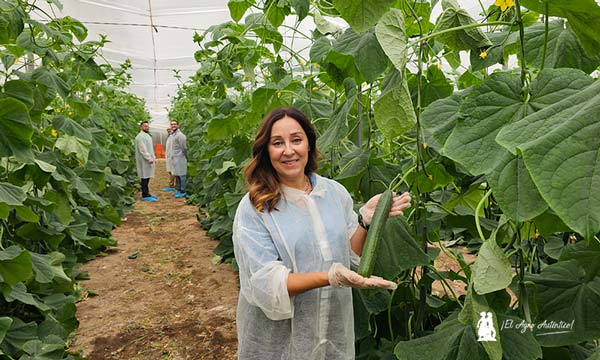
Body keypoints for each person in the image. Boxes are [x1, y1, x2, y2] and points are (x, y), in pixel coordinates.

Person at [232, 107, 412, 359]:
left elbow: (348, 255)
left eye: (296, 140)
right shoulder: (255, 207)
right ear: (266, 151)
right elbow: (267, 284)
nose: (288, 150)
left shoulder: (334, 193)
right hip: (278, 340)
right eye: (277, 143)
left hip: (332, 329)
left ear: (309, 144)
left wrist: (365, 222)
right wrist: (330, 276)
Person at [135, 120, 156, 202]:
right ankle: (145, 194)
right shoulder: (140, 137)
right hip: (144, 160)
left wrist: (153, 157)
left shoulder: (146, 135)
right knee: (144, 177)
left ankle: (147, 193)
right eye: (145, 126)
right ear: (141, 127)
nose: (147, 127)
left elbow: (150, 148)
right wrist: (149, 158)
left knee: (146, 177)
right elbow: (143, 150)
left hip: (147, 160)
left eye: (147, 126)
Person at [169, 119, 187, 198]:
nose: (173, 126)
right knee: (177, 174)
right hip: (175, 158)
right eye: (172, 124)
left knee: (182, 175)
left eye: (175, 124)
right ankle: (178, 189)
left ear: (178, 125)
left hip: (180, 157)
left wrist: (185, 156)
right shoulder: (173, 135)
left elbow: (184, 147)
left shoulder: (180, 135)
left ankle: (183, 190)